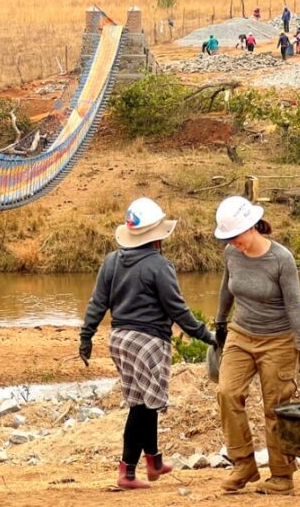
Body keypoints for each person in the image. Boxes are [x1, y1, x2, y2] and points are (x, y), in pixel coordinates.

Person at [80, 198, 216, 491]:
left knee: (144, 402)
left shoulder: (111, 261)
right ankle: (127, 472)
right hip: (148, 341)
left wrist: (86, 335)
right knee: (143, 407)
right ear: (157, 236)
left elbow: (97, 302)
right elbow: (177, 310)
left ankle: (154, 461)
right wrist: (206, 335)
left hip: (118, 340)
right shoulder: (159, 265)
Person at [212, 196, 300, 495]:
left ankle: (282, 475)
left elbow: (295, 304)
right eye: (228, 238)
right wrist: (220, 322)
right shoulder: (231, 255)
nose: (233, 242)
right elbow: (226, 287)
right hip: (241, 333)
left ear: (251, 227)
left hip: (278, 340)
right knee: (227, 393)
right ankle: (244, 464)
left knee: (276, 408)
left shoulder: (281, 259)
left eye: (236, 236)